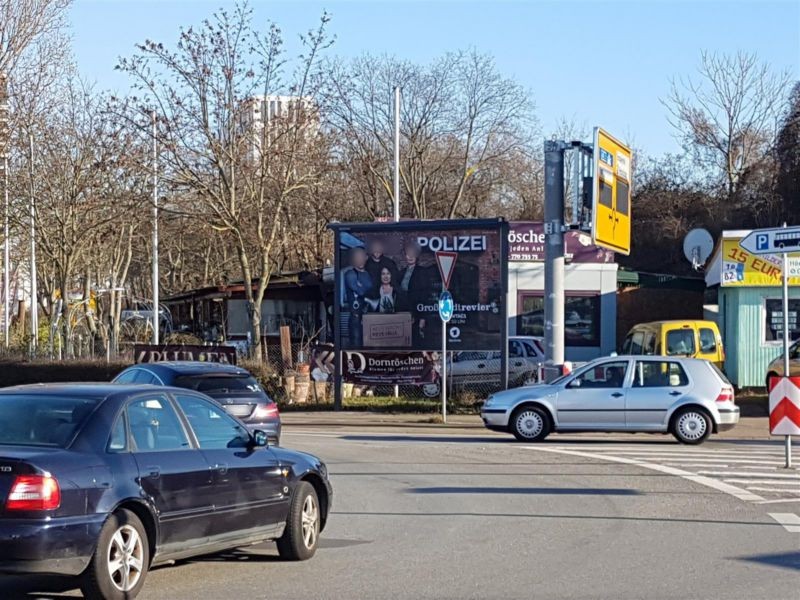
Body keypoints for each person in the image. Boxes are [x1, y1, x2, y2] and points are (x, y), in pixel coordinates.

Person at [344, 247, 372, 347]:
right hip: (356, 317)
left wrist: (362, 287)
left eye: (361, 256)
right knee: (356, 346)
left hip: (369, 316)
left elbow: (372, 292)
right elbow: (360, 291)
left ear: (366, 257)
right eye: (357, 256)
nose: (359, 259)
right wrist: (363, 289)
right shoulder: (350, 274)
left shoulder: (368, 274)